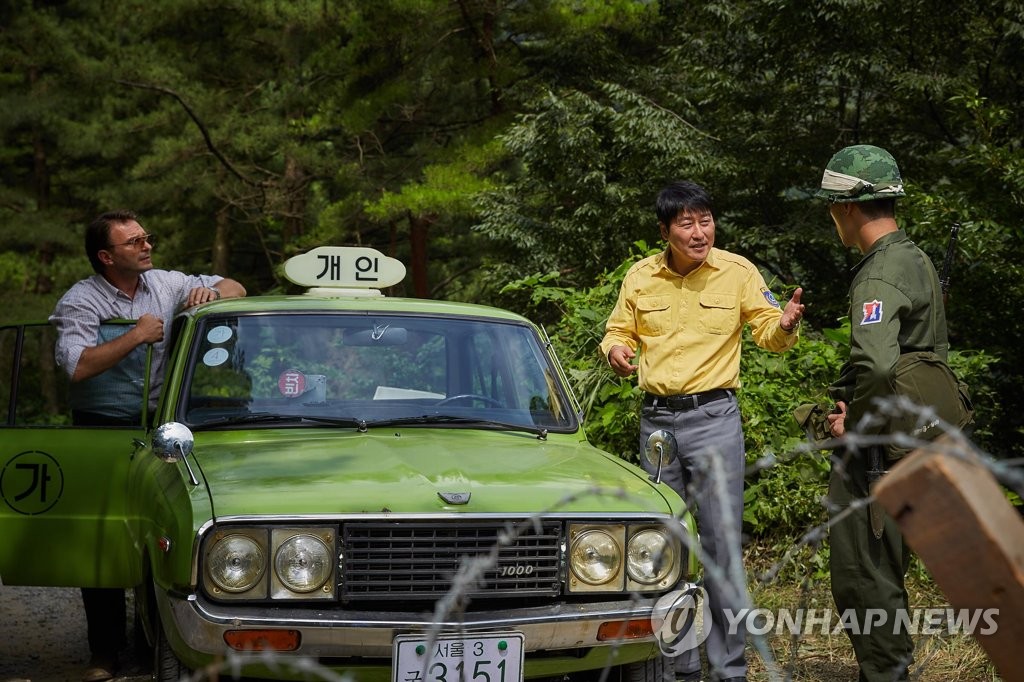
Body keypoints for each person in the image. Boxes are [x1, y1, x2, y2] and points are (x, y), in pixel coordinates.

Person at [599, 180, 805, 682]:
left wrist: (786, 324)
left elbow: (768, 333)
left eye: (705, 220)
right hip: (657, 425)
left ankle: (728, 670)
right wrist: (617, 351)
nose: (699, 232)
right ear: (666, 230)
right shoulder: (641, 277)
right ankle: (677, 668)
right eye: (687, 223)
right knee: (663, 549)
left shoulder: (737, 272)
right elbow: (617, 330)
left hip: (713, 420)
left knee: (719, 547)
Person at [49, 209, 246, 681]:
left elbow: (237, 287)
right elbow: (74, 365)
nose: (146, 245)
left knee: (157, 536)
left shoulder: (167, 282)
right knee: (105, 539)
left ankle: (149, 645)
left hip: (162, 426)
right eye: (134, 241)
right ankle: (104, 653)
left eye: (146, 238)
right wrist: (136, 335)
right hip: (101, 427)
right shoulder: (82, 300)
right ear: (106, 256)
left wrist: (210, 292)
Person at [818, 145, 971, 681]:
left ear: (847, 208)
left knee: (864, 572)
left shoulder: (877, 275)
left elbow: (878, 368)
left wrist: (853, 427)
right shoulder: (917, 259)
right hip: (916, 437)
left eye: (832, 208)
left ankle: (885, 674)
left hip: (879, 450)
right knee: (888, 567)